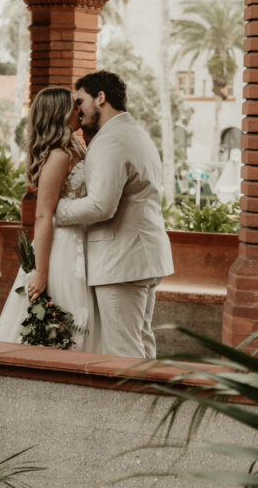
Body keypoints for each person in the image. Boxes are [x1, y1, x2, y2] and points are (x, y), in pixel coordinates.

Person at [55, 70, 173, 359]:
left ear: (101, 98)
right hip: (140, 255)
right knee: (140, 342)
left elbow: (100, 206)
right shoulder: (134, 132)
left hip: (121, 259)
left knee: (123, 351)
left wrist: (57, 211)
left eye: (80, 101)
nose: (77, 111)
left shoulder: (112, 140)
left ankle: (131, 406)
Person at [0, 87, 98, 351]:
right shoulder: (58, 156)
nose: (79, 109)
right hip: (62, 248)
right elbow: (43, 215)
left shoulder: (76, 146)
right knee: (61, 321)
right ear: (60, 114)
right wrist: (41, 272)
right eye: (73, 106)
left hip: (82, 245)